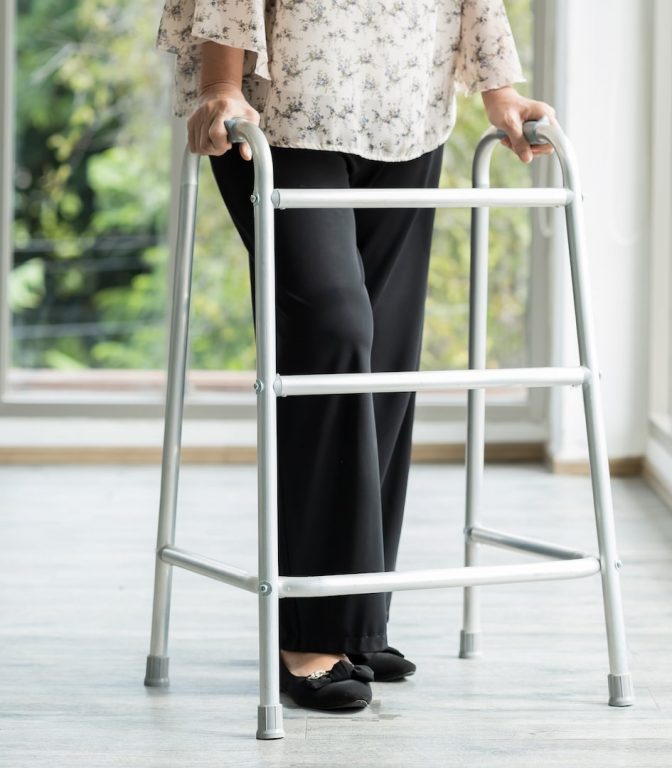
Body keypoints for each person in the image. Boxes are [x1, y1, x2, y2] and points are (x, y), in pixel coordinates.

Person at [157, 0, 556, 711]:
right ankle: (312, 627)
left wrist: (500, 92)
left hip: (407, 108)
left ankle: (354, 617)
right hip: (278, 115)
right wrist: (221, 82)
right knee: (333, 334)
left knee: (386, 358)